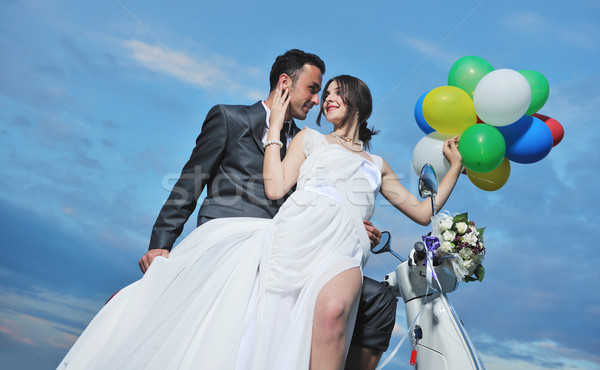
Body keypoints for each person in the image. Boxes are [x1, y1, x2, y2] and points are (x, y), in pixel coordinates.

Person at [57, 73, 462, 369]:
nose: (326, 100)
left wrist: (454, 168)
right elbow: (275, 186)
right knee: (270, 321)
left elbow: (424, 210)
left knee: (336, 309)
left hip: (344, 244)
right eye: (324, 95)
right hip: (297, 233)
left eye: (336, 92)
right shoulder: (309, 140)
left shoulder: (378, 164)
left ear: (358, 100)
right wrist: (273, 131)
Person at [136, 49, 395, 368]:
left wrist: (355, 224)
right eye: (313, 89)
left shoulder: (311, 144)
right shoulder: (230, 119)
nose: (317, 101)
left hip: (289, 247)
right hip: (230, 241)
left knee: (379, 298)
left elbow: (319, 202)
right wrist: (160, 245)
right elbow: (190, 182)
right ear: (285, 83)